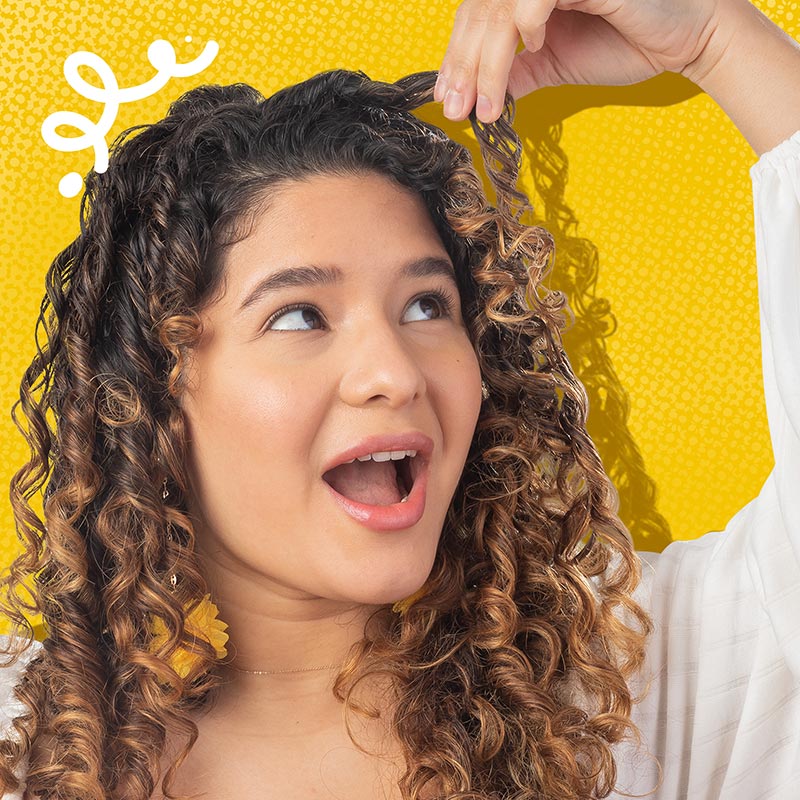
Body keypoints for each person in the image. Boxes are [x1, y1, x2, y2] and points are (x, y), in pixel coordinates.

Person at [0, 0, 798, 797]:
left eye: (426, 305)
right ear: (152, 398)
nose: (396, 371)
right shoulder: (26, 749)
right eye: (300, 315)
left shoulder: (619, 690)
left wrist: (721, 42)